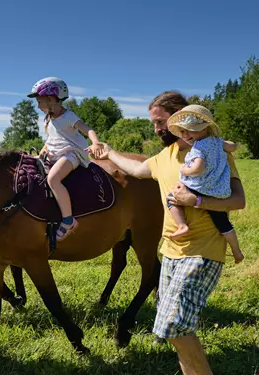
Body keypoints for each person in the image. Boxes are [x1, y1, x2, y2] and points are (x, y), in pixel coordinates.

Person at [94, 91, 245, 375]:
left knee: (174, 326)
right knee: (172, 329)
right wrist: (109, 152)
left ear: (179, 118)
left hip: (203, 251)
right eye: (154, 123)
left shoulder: (212, 151)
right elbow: (138, 169)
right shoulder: (166, 155)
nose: (156, 128)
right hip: (171, 253)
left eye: (160, 121)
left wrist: (198, 201)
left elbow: (239, 201)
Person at [166, 104, 244, 264]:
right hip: (218, 190)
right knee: (223, 224)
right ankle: (237, 252)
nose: (185, 134)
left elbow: (198, 168)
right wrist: (229, 146)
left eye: (189, 129)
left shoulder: (198, 147)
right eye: (182, 131)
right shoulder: (217, 141)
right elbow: (232, 146)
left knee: (171, 198)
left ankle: (182, 225)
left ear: (202, 128)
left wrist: (185, 169)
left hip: (199, 188)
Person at [27, 77, 103, 241]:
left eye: (40, 101)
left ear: (51, 99)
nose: (38, 106)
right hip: (55, 152)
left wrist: (95, 143)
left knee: (53, 179)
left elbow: (87, 129)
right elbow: (50, 141)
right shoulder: (48, 118)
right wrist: (38, 156)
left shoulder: (68, 116)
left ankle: (68, 220)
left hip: (71, 153)